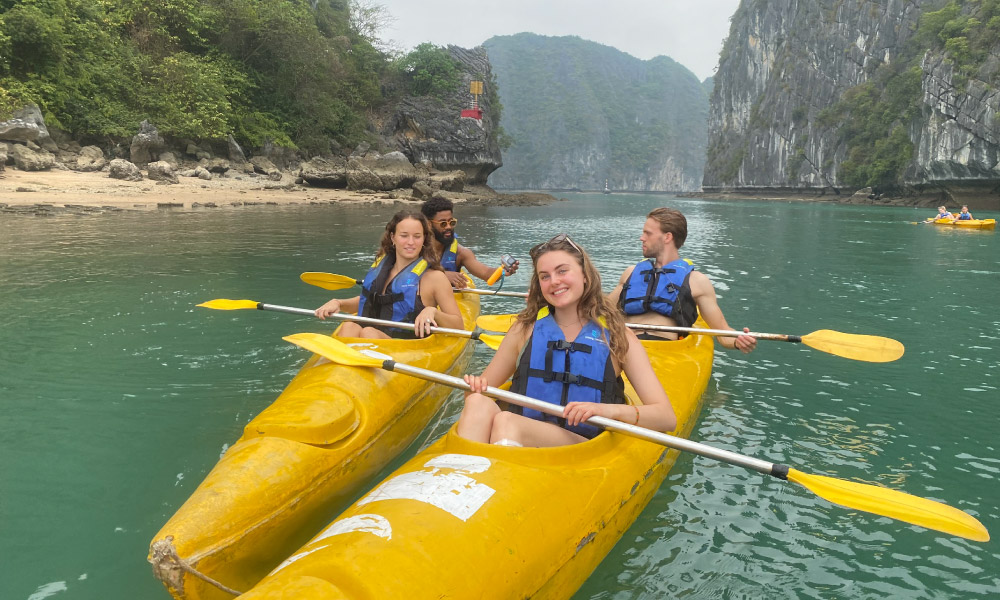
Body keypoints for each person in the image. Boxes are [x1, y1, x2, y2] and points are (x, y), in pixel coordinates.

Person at [457, 233, 677, 447]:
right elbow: (478, 392)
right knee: (477, 402)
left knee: (506, 421)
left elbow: (666, 417)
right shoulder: (524, 329)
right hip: (521, 437)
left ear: (584, 275)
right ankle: (464, 474)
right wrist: (475, 388)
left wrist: (608, 411)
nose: (554, 282)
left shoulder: (617, 336)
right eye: (545, 276)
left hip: (580, 448)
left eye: (562, 271)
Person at [607, 208, 756, 353]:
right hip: (624, 346)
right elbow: (600, 311)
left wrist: (738, 341)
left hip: (665, 352)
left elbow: (722, 333)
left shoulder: (697, 282)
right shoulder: (631, 273)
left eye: (648, 233)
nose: (642, 238)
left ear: (667, 237)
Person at [314, 210, 463, 339]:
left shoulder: (435, 278)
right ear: (393, 238)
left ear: (424, 239)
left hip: (407, 347)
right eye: (404, 235)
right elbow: (373, 300)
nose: (411, 242)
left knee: (369, 333)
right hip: (374, 337)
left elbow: (459, 326)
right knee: (349, 327)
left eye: (417, 236)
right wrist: (339, 303)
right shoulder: (383, 270)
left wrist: (433, 312)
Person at [420, 197, 519, 289]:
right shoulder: (416, 248)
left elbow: (486, 274)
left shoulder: (461, 253)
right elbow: (406, 274)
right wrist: (442, 275)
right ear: (428, 224)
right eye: (443, 223)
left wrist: (502, 271)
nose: (449, 227)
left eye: (452, 222)